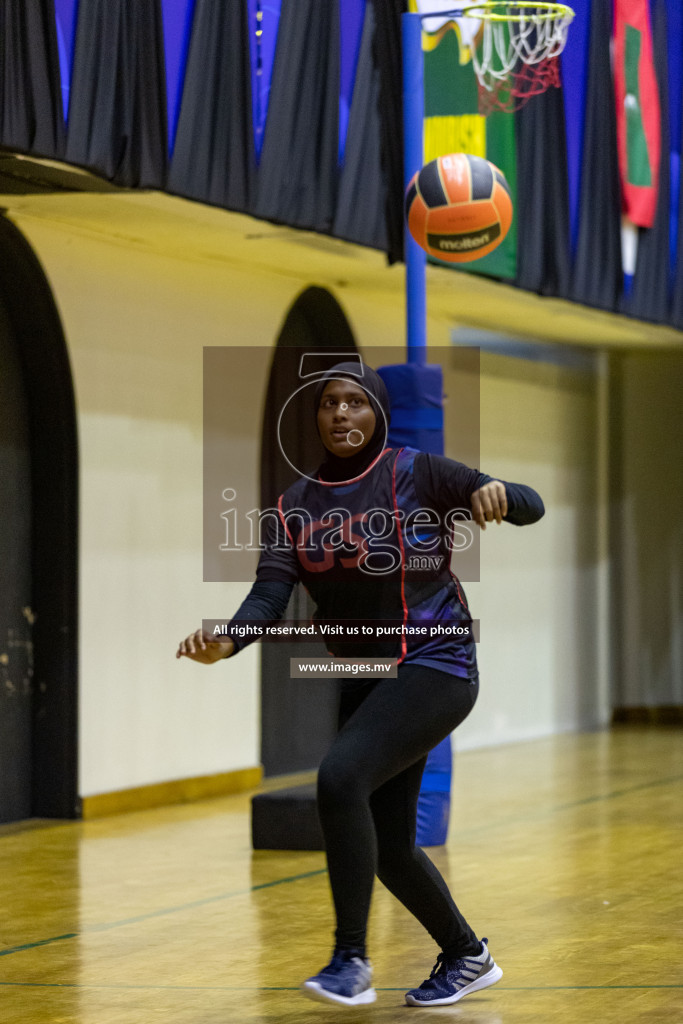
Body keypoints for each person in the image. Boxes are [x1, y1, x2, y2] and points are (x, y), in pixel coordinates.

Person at [177, 361, 544, 1008]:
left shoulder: (418, 472)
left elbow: (531, 506)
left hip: (436, 662)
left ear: (377, 414)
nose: (341, 414)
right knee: (391, 846)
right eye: (329, 404)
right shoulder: (293, 504)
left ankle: (350, 959)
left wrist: (499, 493)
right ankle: (466, 954)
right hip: (364, 672)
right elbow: (268, 595)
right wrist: (227, 642)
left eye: (355, 403)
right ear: (315, 417)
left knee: (339, 777)